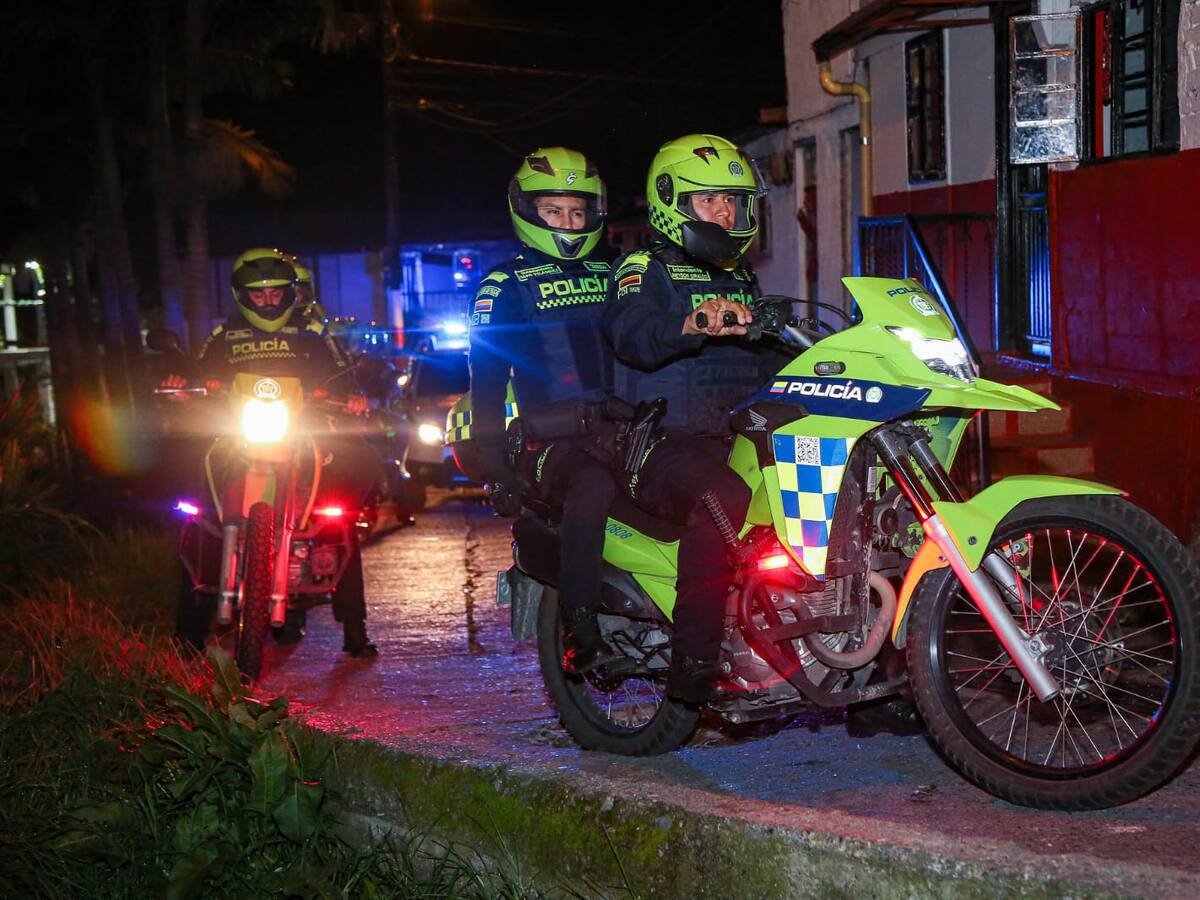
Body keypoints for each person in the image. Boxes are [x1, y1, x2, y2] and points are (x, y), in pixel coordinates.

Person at [603, 134, 767, 703]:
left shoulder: (740, 275)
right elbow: (632, 335)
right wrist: (691, 324)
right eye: (710, 201)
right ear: (673, 201)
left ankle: (866, 670)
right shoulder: (641, 267)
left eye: (731, 201)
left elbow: (766, 351)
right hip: (661, 440)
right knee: (723, 497)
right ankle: (694, 660)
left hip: (735, 432)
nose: (724, 212)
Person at [162, 247, 378, 658]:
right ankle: (187, 633)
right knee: (197, 513)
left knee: (340, 513)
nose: (268, 301)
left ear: (289, 293)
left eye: (276, 293)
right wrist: (182, 387)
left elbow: (342, 373)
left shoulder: (311, 335)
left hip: (302, 435)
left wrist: (351, 396)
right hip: (239, 437)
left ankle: (354, 627)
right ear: (241, 295)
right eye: (258, 295)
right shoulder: (225, 336)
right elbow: (198, 375)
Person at [468, 146, 622, 673]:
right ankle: (581, 628)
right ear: (528, 212)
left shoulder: (621, 268)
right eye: (554, 211)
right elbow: (485, 386)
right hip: (553, 441)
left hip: (631, 428)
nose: (568, 222)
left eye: (577, 212)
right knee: (594, 486)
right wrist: (495, 469)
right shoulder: (503, 285)